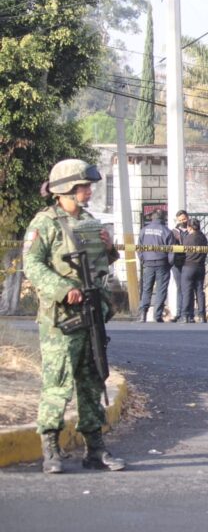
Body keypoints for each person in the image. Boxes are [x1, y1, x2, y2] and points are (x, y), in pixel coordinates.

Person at [22, 159, 126, 473]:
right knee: (57, 382)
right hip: (61, 320)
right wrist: (63, 288)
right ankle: (51, 450)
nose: (89, 191)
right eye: (84, 186)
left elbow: (100, 266)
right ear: (68, 188)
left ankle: (95, 449)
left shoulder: (90, 222)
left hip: (91, 312)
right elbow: (34, 265)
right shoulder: (45, 223)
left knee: (92, 380)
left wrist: (109, 250)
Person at [137, 209, 175, 323]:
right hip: (162, 263)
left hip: (148, 263)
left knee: (146, 289)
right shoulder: (166, 231)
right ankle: (157, 315)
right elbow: (171, 250)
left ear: (152, 218)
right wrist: (170, 263)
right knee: (161, 290)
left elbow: (139, 248)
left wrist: (143, 259)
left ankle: (143, 314)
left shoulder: (144, 230)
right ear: (163, 218)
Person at [181, 218, 208, 323]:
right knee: (199, 291)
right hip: (200, 266)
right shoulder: (203, 237)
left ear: (190, 227)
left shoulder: (188, 238)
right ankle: (202, 315)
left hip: (188, 267)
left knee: (187, 291)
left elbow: (182, 252)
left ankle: (186, 315)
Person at [169, 209, 189, 322]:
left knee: (187, 288)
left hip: (188, 262)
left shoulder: (192, 230)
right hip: (177, 263)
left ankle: (187, 313)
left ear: (188, 218)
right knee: (180, 287)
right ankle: (179, 312)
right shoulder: (174, 232)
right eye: (180, 220)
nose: (183, 221)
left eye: (184, 219)